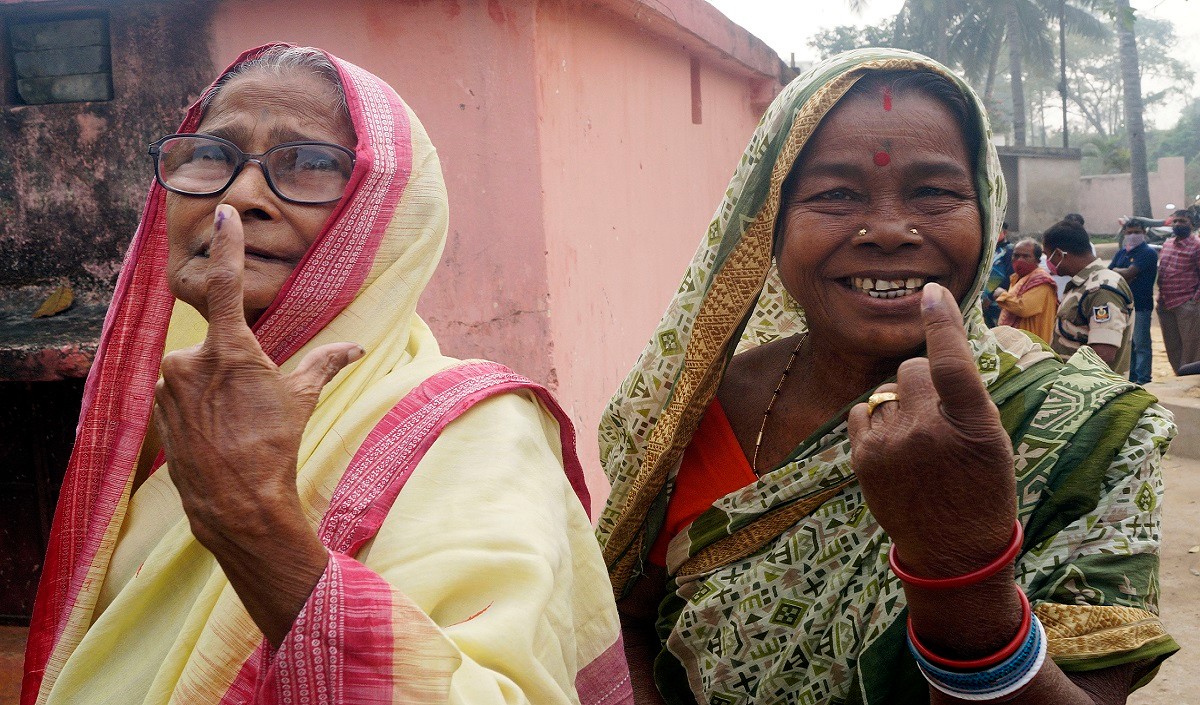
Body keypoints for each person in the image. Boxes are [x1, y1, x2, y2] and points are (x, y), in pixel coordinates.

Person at [22, 45, 630, 705]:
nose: (239, 194)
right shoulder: (159, 421)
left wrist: (254, 525)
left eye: (310, 163)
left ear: (388, 214)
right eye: (211, 154)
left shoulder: (470, 433)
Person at [596, 49, 1176, 705]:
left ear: (985, 213)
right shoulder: (690, 410)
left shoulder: (1084, 431)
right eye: (836, 193)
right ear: (770, 226)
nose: (891, 231)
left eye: (934, 192)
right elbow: (627, 617)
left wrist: (961, 574)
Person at [1044, 221, 1135, 374]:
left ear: (1059, 254)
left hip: (1091, 392)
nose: (1047, 262)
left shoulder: (1102, 289)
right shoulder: (1082, 284)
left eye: (1048, 256)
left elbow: (1104, 353)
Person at [1110, 220, 1159, 384]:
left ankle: (1143, 378)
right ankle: (1131, 377)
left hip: (1141, 305)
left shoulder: (1147, 253)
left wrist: (1121, 272)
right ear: (1124, 233)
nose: (1133, 235)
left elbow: (1130, 273)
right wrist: (1121, 272)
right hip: (1123, 305)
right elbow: (1109, 272)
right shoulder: (1122, 253)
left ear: (1144, 232)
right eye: (1129, 232)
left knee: (1141, 344)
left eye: (1136, 232)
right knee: (1127, 345)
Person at [1157, 209, 1200, 374]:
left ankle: (1189, 381)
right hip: (1165, 303)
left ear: (1192, 223)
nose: (1177, 225)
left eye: (1182, 221)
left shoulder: (1196, 246)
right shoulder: (1167, 244)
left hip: (1187, 304)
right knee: (1172, 346)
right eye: (1175, 221)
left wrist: (1194, 300)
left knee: (1191, 348)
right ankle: (1179, 375)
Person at [993, 238, 1058, 343]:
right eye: (1016, 255)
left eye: (1026, 256)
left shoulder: (1041, 280)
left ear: (1037, 260)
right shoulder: (1016, 278)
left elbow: (1023, 308)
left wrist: (1002, 295)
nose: (1020, 260)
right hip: (1015, 343)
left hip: (1032, 345)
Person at [980, 221, 1012, 326]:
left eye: (997, 230)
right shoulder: (987, 250)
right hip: (981, 302)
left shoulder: (1010, 250)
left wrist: (990, 297)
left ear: (1005, 232)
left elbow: (1010, 276)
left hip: (997, 302)